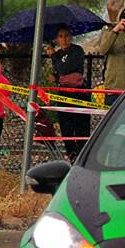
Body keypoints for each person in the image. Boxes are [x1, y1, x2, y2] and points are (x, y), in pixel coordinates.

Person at [46, 24, 90, 161]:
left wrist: (54, 58)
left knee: (81, 126)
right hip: (63, 95)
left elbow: (67, 68)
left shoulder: (77, 50)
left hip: (79, 94)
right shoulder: (58, 54)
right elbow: (58, 73)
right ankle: (71, 154)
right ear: (57, 39)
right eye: (60, 36)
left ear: (70, 37)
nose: (64, 39)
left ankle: (83, 155)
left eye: (66, 36)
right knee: (66, 127)